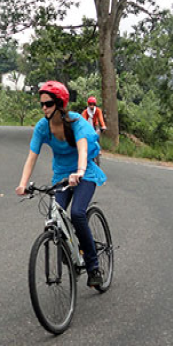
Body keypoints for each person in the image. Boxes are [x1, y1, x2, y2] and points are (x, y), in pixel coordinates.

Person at [16, 81, 107, 287]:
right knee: (53, 217)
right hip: (61, 176)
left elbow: (83, 149)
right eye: (42, 104)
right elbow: (32, 157)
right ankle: (69, 247)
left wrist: (80, 172)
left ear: (59, 103)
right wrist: (22, 184)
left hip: (85, 174)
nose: (44, 108)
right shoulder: (42, 127)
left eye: (47, 104)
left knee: (77, 213)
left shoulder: (76, 122)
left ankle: (94, 267)